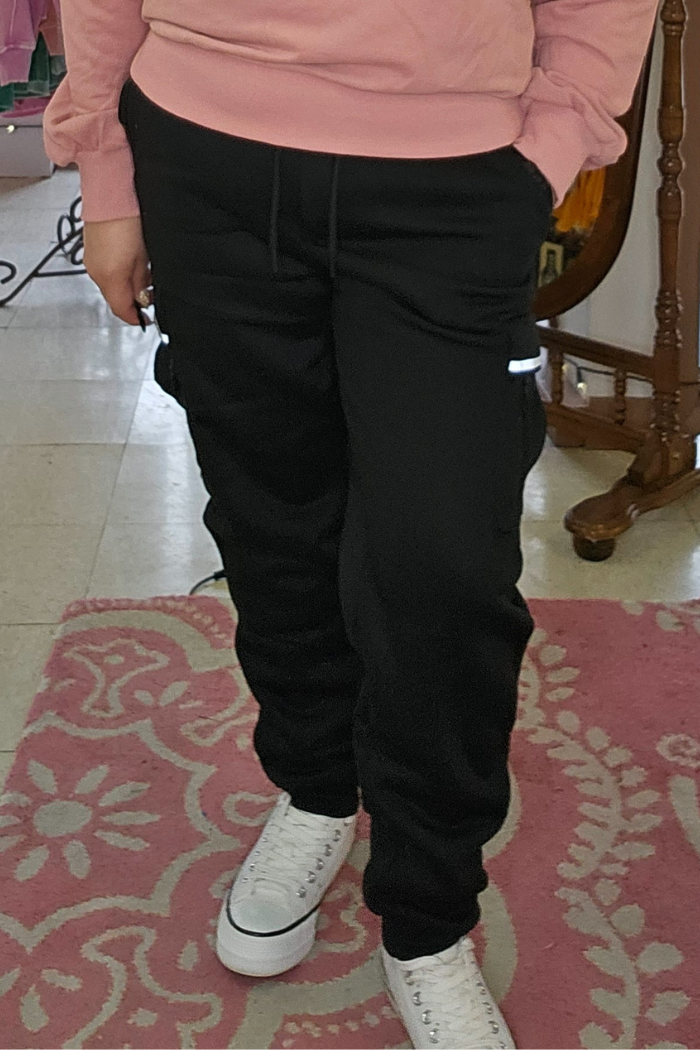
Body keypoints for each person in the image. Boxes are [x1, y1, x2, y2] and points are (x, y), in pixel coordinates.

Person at [44, 2, 659, 1046]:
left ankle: (428, 915)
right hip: (205, 161)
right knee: (273, 528)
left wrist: (547, 148)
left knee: (442, 568)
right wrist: (107, 171)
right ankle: (319, 789)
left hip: (453, 179)